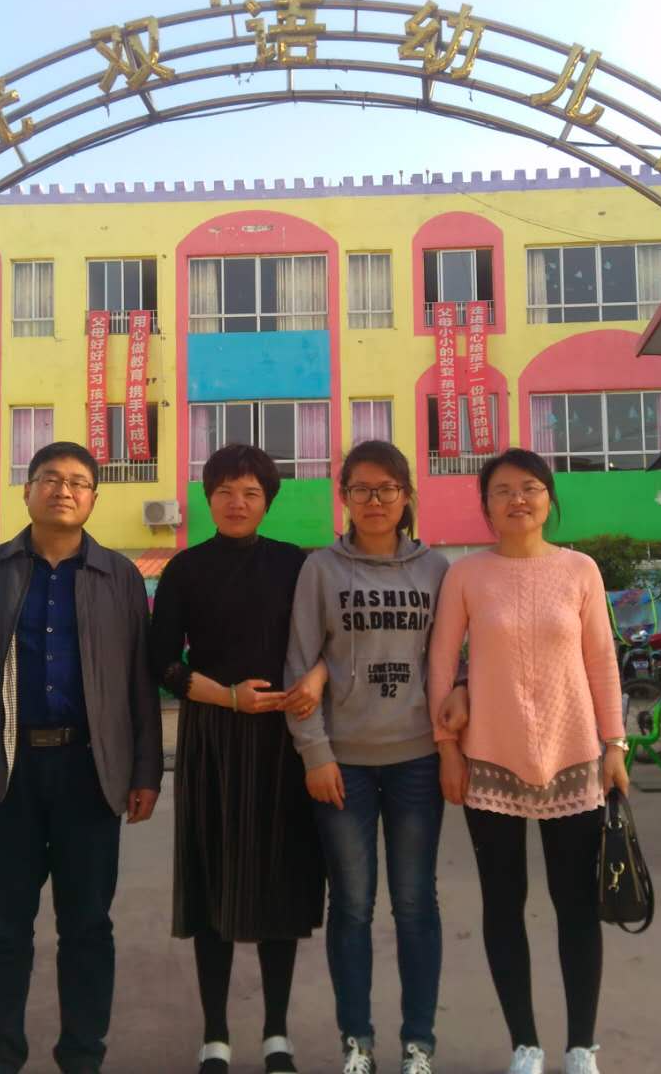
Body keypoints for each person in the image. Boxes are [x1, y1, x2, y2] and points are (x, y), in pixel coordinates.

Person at [0, 441, 162, 1074]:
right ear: (27, 490)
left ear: (93, 498)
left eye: (78, 482)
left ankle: (82, 1056)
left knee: (87, 925)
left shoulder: (118, 576)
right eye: (50, 479)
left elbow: (138, 682)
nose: (64, 490)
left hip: (91, 772)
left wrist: (145, 771)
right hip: (7, 772)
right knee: (3, 928)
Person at [427, 448, 629, 1074]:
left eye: (531, 487)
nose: (518, 499)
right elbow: (441, 664)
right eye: (503, 490)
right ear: (486, 506)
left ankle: (581, 1047)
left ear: (549, 498)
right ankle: (526, 1045)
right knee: (502, 904)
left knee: (577, 905)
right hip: (490, 761)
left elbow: (601, 661)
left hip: (574, 758)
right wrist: (447, 749)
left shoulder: (580, 570)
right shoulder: (466, 575)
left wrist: (615, 745)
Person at [148, 444, 325, 1074]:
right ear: (208, 498)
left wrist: (315, 681)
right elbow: (161, 661)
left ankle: (277, 1033)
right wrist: (227, 696)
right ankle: (215, 1036)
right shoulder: (185, 569)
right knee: (212, 883)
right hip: (212, 739)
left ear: (268, 500)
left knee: (281, 880)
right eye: (225, 491)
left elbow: (330, 640)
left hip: (285, 739)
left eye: (251, 492)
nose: (237, 503)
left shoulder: (296, 564)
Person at [285, 441, 450, 1074]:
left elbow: (451, 662)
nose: (374, 500)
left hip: (417, 761)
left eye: (387, 488)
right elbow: (300, 664)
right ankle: (356, 1040)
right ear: (345, 497)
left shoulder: (436, 570)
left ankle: (418, 1042)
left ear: (406, 495)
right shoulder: (320, 570)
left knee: (415, 903)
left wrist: (451, 741)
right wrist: (315, 754)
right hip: (343, 765)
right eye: (361, 488)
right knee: (352, 906)